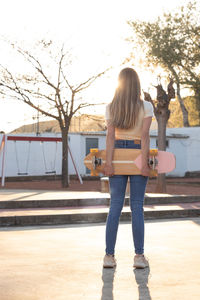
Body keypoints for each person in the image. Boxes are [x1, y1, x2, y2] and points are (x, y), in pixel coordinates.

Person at [103, 67, 154, 269]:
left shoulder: (110, 107)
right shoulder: (147, 107)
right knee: (137, 206)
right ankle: (139, 257)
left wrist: (108, 163)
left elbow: (110, 137)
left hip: (116, 154)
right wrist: (144, 162)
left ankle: (109, 256)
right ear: (137, 84)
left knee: (115, 206)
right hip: (137, 153)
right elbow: (144, 137)